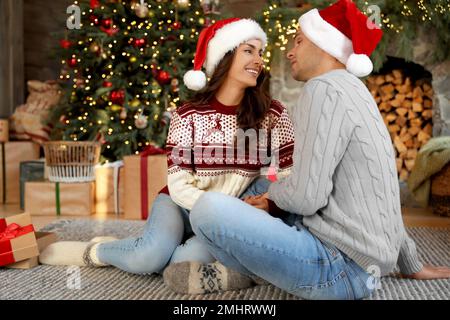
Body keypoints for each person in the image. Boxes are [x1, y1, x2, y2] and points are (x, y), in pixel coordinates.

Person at [163, 0, 450, 299]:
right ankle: (251, 270)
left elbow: (306, 198)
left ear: (324, 45)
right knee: (257, 191)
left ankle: (246, 275)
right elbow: (383, 194)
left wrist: (269, 198)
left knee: (208, 210)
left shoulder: (322, 90)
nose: (289, 51)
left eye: (298, 41)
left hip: (337, 268)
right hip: (366, 268)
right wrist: (411, 263)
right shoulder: (356, 90)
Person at [39, 18, 295, 292]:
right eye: (249, 50)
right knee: (148, 257)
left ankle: (168, 247)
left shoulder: (273, 114)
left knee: (183, 264)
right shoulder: (187, 115)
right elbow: (180, 185)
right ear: (224, 57)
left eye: (260, 52)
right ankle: (98, 250)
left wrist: (266, 204)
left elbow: (288, 176)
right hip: (180, 203)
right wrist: (225, 210)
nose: (258, 60)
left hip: (230, 213)